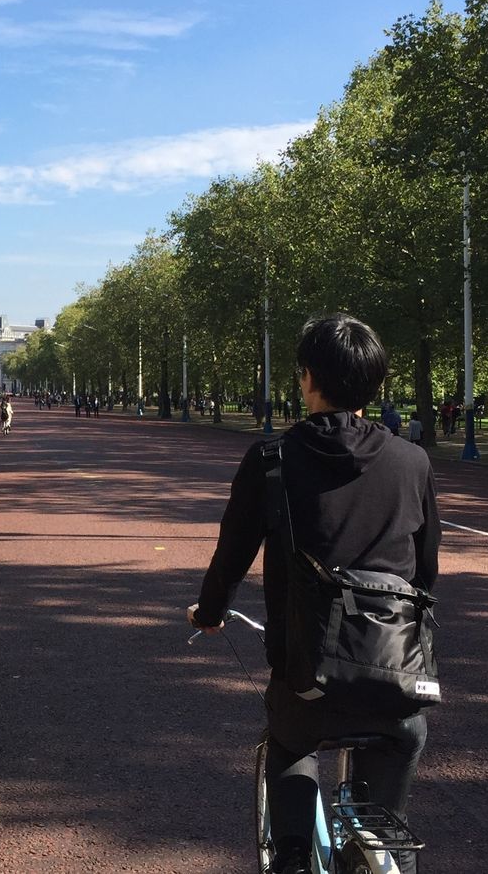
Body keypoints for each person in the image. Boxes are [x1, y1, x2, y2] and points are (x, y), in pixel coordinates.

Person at [188, 315, 439, 874]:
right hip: (398, 675)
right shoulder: (413, 462)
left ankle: (294, 858)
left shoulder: (272, 460)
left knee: (290, 742)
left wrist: (210, 613)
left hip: (308, 676)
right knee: (399, 757)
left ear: (307, 378)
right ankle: (383, 847)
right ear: (376, 383)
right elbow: (426, 572)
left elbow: (232, 555)